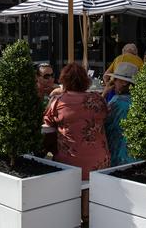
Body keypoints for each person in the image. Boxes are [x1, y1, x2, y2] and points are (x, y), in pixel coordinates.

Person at [43, 63, 110, 224]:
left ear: (64, 80)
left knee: (69, 173)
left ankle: (76, 217)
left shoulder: (58, 102)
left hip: (70, 161)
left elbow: (47, 125)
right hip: (100, 161)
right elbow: (106, 115)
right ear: (85, 81)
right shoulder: (97, 99)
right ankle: (88, 216)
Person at [104, 62, 139, 167]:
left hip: (118, 156)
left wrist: (104, 93)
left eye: (115, 79)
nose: (113, 82)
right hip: (136, 156)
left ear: (124, 82)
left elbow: (99, 120)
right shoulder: (140, 100)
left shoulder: (117, 102)